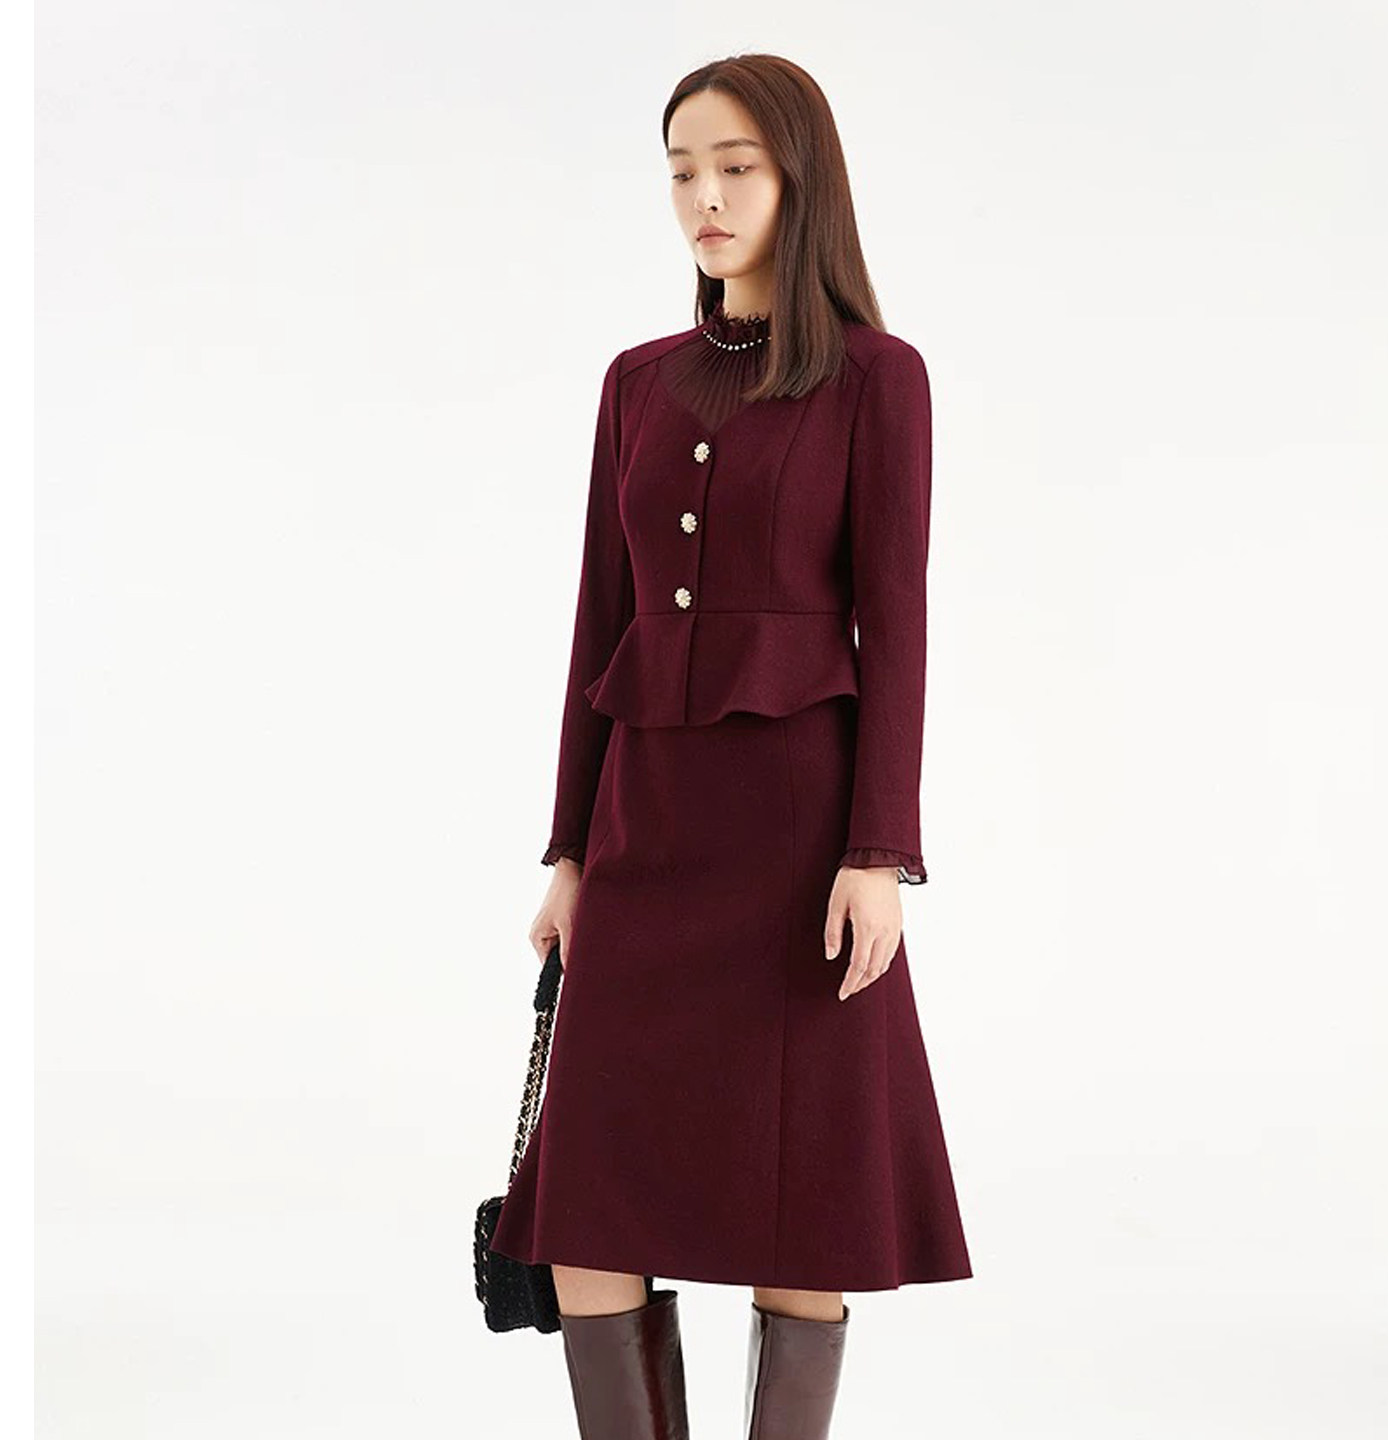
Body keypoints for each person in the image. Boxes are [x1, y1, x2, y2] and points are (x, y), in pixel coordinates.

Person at [487, 52, 973, 1440]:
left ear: (799, 180)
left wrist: (879, 853)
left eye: (736, 167)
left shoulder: (879, 379)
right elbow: (600, 624)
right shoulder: (637, 383)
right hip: (642, 835)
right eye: (683, 172)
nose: (704, 197)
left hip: (798, 848)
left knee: (798, 1211)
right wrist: (570, 854)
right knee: (589, 1210)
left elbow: (898, 629)